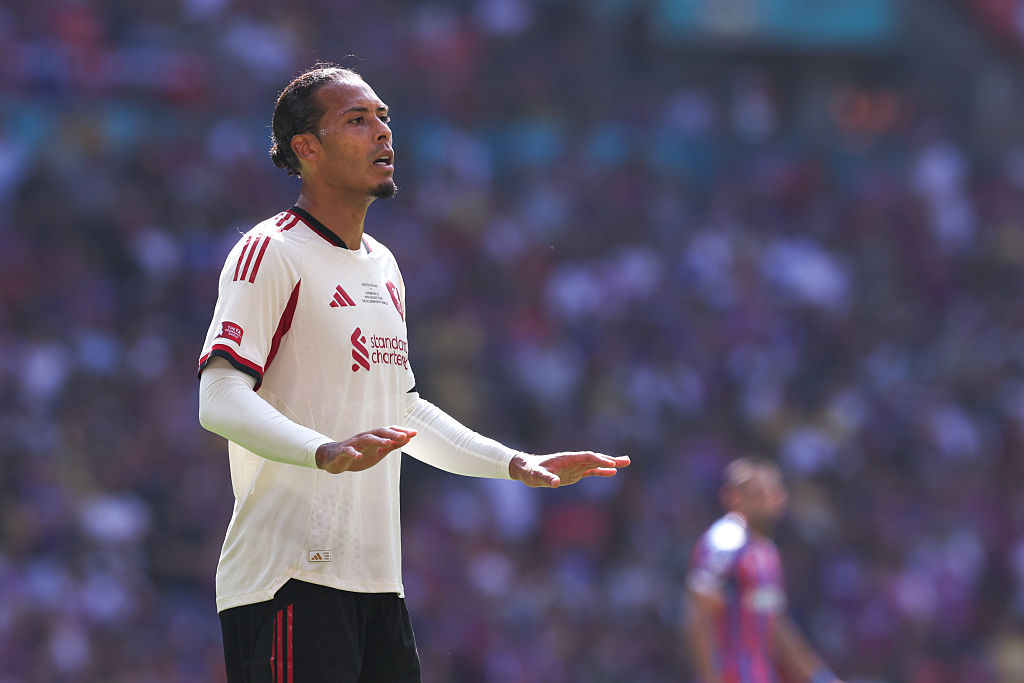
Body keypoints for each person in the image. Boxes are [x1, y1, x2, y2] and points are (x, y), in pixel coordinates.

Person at [196, 63, 630, 683]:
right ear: (306, 149)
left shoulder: (384, 266)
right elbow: (217, 396)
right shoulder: (272, 251)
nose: (382, 132)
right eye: (357, 120)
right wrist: (323, 450)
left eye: (383, 118)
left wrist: (514, 464)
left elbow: (401, 409)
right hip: (290, 579)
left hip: (377, 586)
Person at [685, 458, 842, 683]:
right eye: (757, 494)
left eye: (772, 492)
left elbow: (775, 623)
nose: (770, 500)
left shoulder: (766, 552)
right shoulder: (726, 542)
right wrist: (711, 677)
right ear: (732, 497)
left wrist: (820, 677)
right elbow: (698, 617)